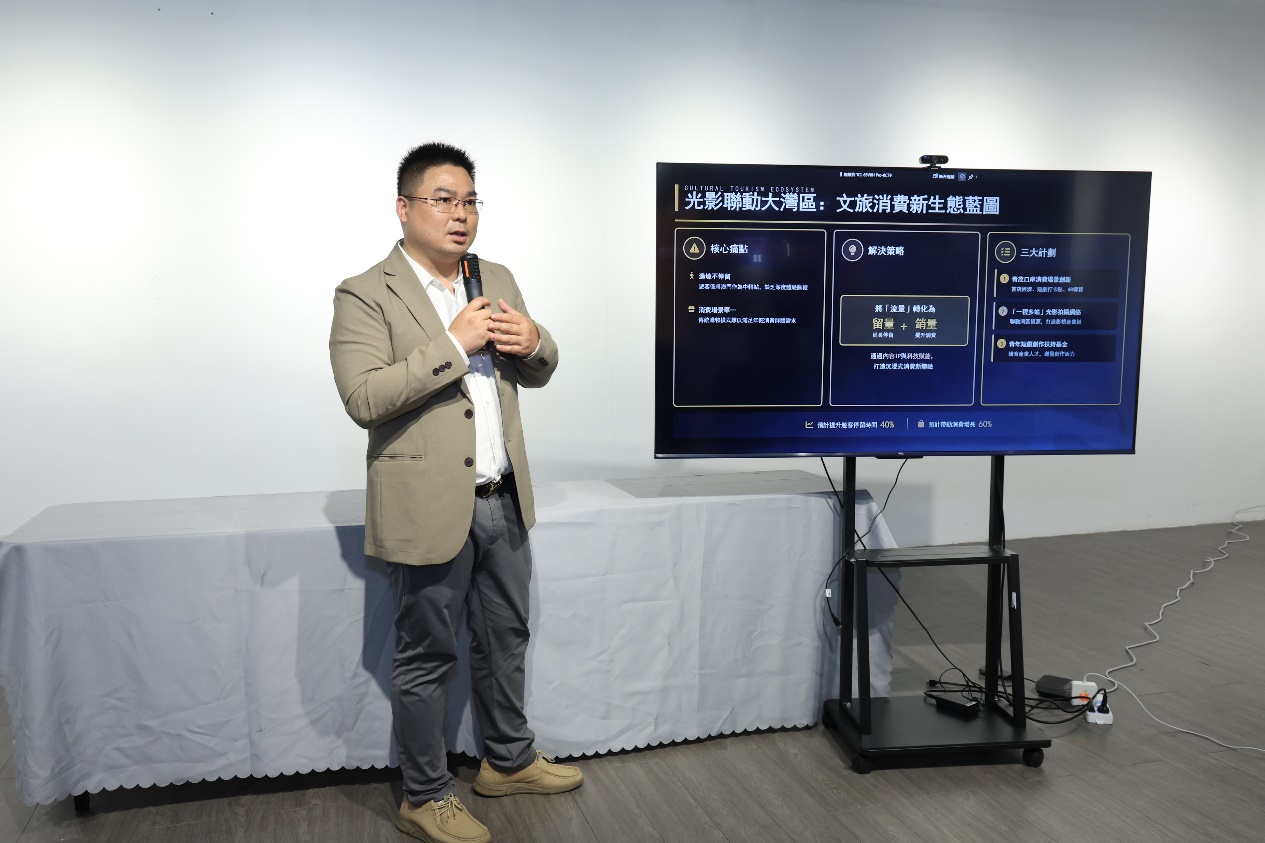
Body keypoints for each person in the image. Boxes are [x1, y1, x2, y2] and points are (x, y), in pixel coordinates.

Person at [329, 142, 578, 843]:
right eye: (443, 199)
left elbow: (537, 369)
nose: (459, 214)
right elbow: (363, 397)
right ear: (403, 207)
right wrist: (452, 342)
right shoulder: (364, 292)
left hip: (503, 495)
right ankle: (425, 794)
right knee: (427, 655)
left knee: (506, 639)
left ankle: (508, 760)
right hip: (427, 505)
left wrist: (534, 340)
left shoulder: (494, 277)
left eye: (469, 201)